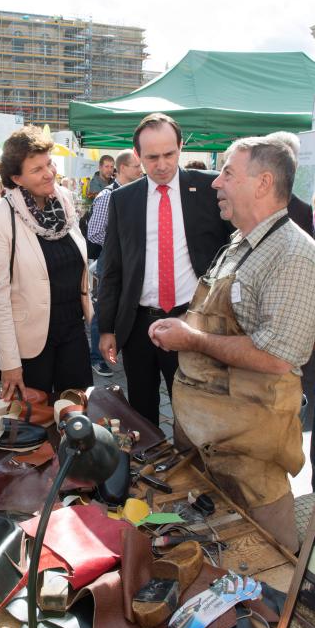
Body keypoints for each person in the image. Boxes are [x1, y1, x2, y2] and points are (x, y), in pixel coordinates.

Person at [149, 136, 315, 551]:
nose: (214, 182)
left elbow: (279, 357)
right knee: (220, 556)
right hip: (212, 441)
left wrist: (191, 338)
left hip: (249, 456)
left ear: (262, 183)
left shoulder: (293, 253)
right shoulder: (242, 241)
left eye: (227, 172)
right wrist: (184, 327)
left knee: (270, 565)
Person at [98, 113, 230, 425]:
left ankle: (189, 471)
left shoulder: (209, 189)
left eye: (169, 154)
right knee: (141, 414)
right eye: (152, 157)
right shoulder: (122, 199)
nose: (162, 165)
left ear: (181, 146)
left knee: (193, 412)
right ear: (137, 156)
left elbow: (230, 253)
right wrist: (106, 328)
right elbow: (113, 268)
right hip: (139, 325)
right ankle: (146, 472)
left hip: (191, 321)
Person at [0, 126, 93, 399]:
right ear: (16, 178)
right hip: (27, 345)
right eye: (37, 169)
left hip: (73, 333)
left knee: (77, 418)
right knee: (33, 428)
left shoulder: (63, 200)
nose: (49, 173)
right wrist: (10, 363)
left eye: (49, 163)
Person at [88, 149, 143, 377]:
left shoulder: (139, 193)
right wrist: (118, 246)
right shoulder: (107, 196)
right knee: (104, 308)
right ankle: (96, 358)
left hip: (132, 260)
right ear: (122, 169)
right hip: (110, 262)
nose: (141, 170)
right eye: (136, 166)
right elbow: (94, 232)